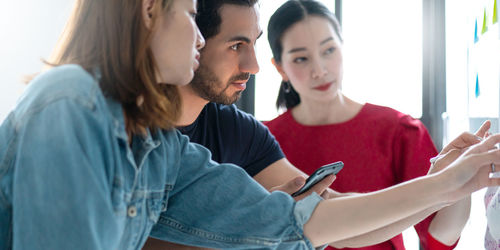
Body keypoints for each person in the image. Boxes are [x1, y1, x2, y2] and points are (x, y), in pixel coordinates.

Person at [1, 0, 499, 249]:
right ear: (151, 9)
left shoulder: (165, 150)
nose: (196, 37)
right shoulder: (71, 103)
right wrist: (441, 185)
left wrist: (449, 182)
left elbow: (299, 224)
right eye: (191, 17)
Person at [263, 0, 470, 249]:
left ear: (342, 46)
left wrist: (462, 178)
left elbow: (438, 239)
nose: (319, 70)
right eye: (301, 59)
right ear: (279, 68)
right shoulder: (262, 141)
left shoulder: (398, 130)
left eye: (328, 50)